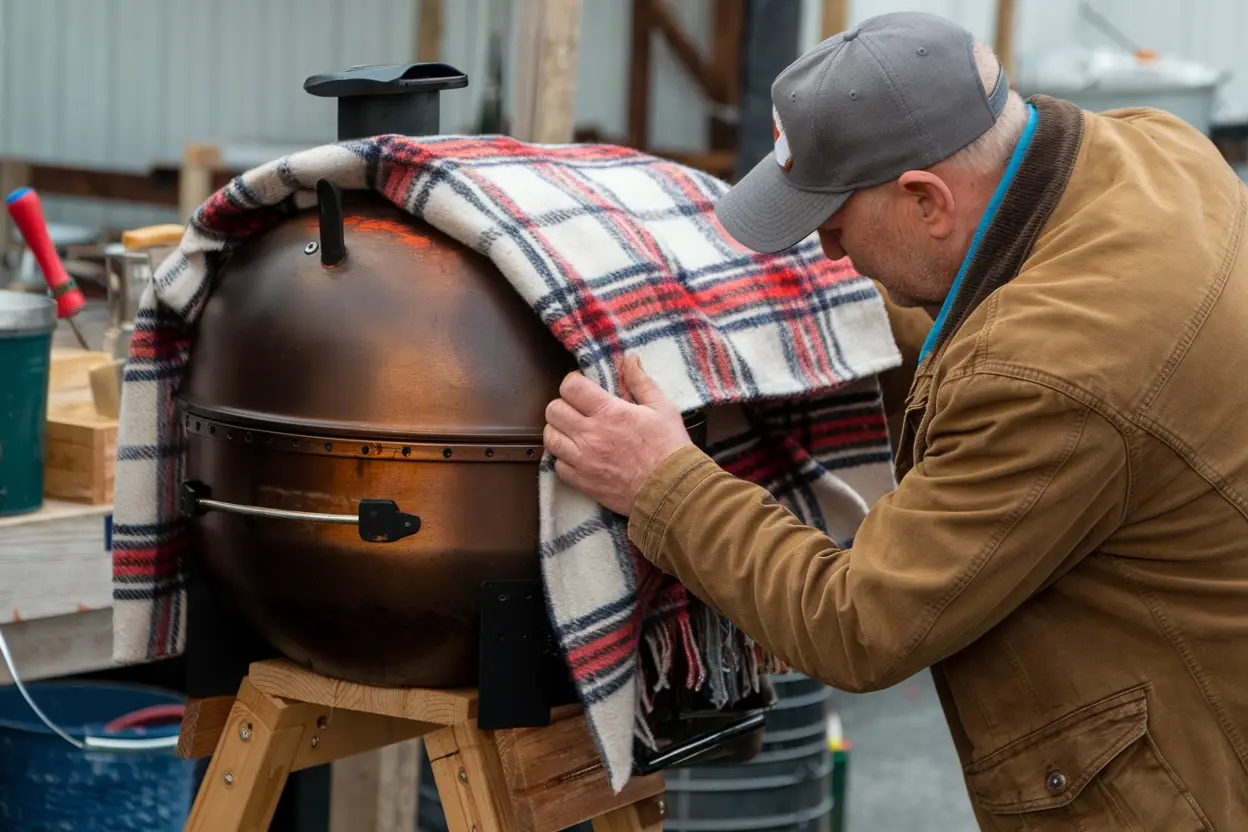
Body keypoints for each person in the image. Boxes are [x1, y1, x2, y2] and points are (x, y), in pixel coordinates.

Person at [542, 9, 1248, 831]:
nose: (830, 254)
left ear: (926, 200)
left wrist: (662, 483)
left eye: (835, 224)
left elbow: (860, 623)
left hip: (1182, 790)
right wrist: (813, 322)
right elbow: (993, 299)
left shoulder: (1054, 375)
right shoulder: (1152, 148)